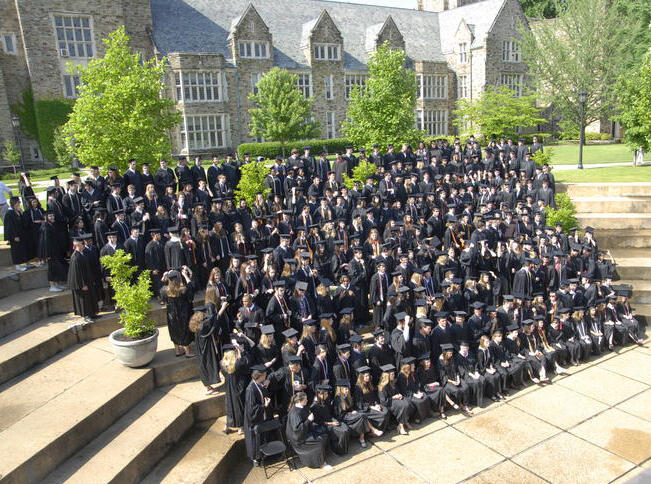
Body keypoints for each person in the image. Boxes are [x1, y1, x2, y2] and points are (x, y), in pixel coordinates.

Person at [285, 391, 332, 470]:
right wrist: (309, 420)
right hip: (298, 438)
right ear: (300, 401)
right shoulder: (295, 413)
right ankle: (321, 463)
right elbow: (298, 430)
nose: (307, 400)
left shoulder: (303, 407)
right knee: (319, 441)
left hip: (305, 432)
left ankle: (322, 456)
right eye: (305, 399)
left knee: (324, 434)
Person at [160, 267, 195, 357]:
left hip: (172, 315)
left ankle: (177, 351)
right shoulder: (183, 290)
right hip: (184, 314)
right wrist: (186, 276)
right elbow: (191, 288)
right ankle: (187, 352)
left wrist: (164, 279)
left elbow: (162, 295)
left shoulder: (165, 290)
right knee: (185, 330)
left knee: (174, 331)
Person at [67, 237, 99, 323]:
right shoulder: (75, 257)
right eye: (82, 244)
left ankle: (92, 313)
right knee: (84, 300)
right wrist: (82, 285)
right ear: (77, 245)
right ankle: (86, 315)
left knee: (91, 297)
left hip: (88, 281)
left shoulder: (83, 253)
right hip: (82, 284)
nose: (84, 246)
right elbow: (77, 274)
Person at [4, 196, 31, 272]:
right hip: (15, 236)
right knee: (16, 251)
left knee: (23, 249)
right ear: (15, 203)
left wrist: (22, 213)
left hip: (21, 234)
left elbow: (23, 223)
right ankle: (17, 265)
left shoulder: (18, 211)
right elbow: (9, 227)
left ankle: (26, 262)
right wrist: (14, 236)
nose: (19, 203)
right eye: (18, 202)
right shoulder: (9, 213)